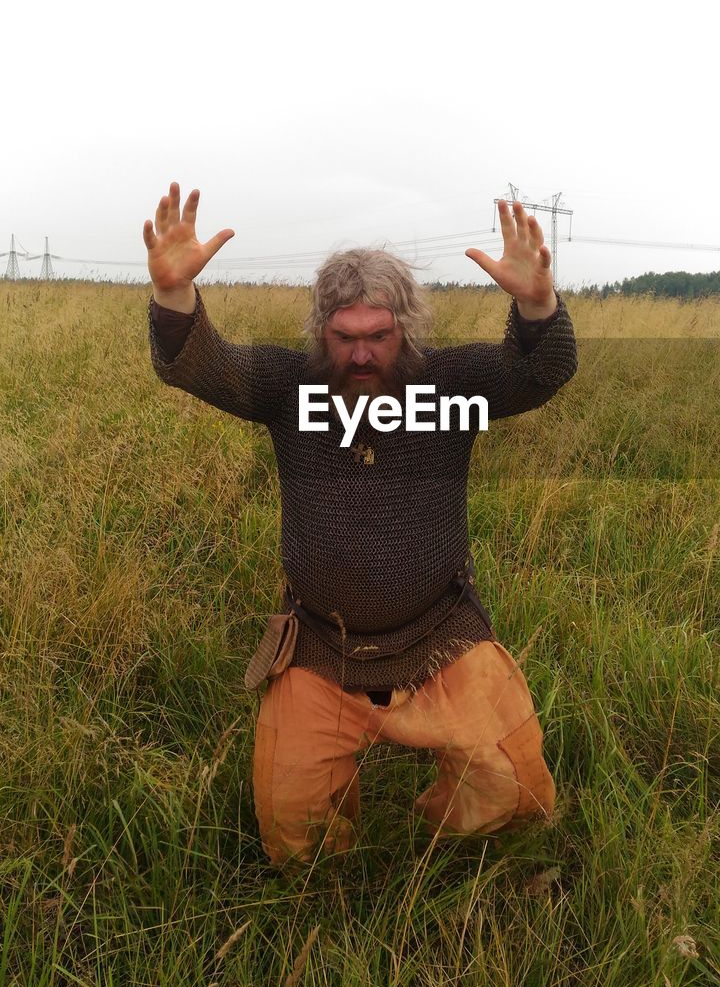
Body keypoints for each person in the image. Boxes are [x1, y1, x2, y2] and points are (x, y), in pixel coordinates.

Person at [144, 182, 578, 867]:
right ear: (322, 333)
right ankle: (332, 885)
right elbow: (208, 368)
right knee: (295, 838)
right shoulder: (291, 388)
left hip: (440, 636)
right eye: (344, 338)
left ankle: (444, 849)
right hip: (321, 646)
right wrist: (174, 299)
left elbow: (541, 373)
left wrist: (535, 306)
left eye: (379, 336)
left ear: (406, 330)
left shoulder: (449, 387)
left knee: (515, 789)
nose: (362, 355)